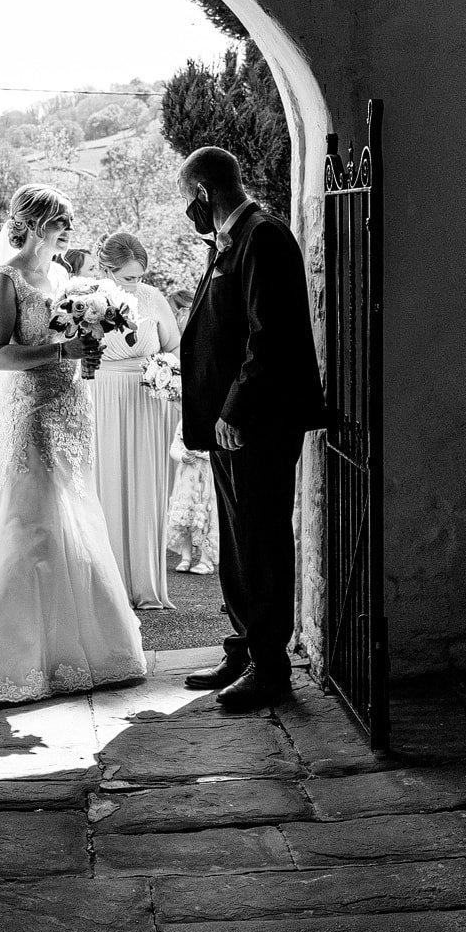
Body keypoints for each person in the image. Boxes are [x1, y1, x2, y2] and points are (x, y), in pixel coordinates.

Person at [0, 184, 148, 704]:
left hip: (70, 408)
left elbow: (70, 344)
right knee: (29, 519)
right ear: (33, 223)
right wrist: (63, 350)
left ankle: (78, 649)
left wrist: (84, 355)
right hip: (30, 411)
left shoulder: (65, 277)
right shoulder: (7, 280)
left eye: (69, 220)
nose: (68, 229)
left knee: (73, 515)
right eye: (59, 221)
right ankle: (11, 655)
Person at [176, 147, 327, 710]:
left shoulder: (264, 237)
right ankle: (243, 647)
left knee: (262, 540)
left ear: (203, 194)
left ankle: (271, 668)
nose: (187, 214)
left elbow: (271, 338)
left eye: (187, 201)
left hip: (255, 423)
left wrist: (235, 411)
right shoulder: (231, 240)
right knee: (237, 542)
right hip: (225, 426)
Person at [86, 231, 183, 609]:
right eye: (128, 277)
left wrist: (166, 368)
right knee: (105, 484)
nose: (136, 284)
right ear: (106, 270)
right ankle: (108, 587)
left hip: (148, 400)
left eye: (140, 276)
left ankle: (146, 583)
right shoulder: (86, 298)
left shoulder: (153, 297)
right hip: (103, 398)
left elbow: (174, 345)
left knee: (145, 487)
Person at [164, 288, 218, 575]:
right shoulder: (183, 420)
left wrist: (201, 454)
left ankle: (206, 558)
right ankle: (186, 557)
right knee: (185, 519)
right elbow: (175, 444)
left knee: (207, 515)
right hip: (186, 480)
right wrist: (181, 453)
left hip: (203, 479)